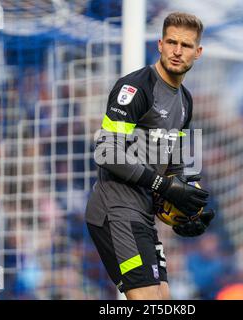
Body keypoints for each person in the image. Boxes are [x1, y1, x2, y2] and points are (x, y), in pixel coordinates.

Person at [85, 12, 215, 300]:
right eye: (171, 42)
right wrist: (164, 187)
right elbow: (106, 152)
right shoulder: (135, 88)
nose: (177, 51)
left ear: (198, 52)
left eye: (186, 45)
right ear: (159, 44)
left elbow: (175, 165)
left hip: (142, 214)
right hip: (115, 209)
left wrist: (185, 212)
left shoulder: (186, 100)